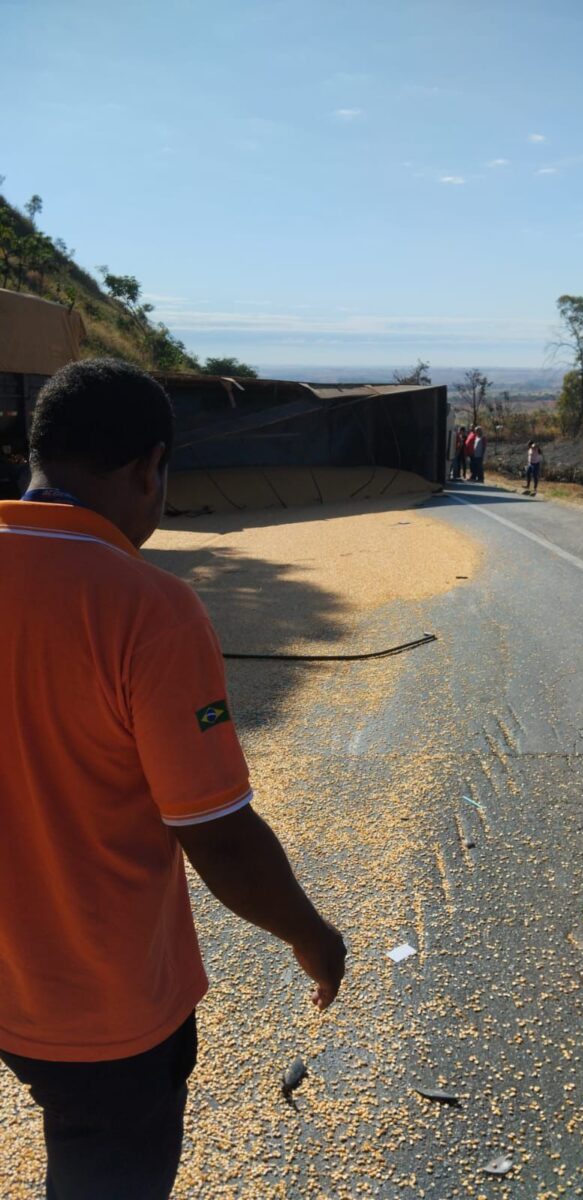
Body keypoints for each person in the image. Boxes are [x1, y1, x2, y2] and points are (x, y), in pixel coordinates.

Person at [0, 359, 346, 1200]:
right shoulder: (147, 609)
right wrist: (311, 935)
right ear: (150, 467)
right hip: (101, 1007)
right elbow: (216, 831)